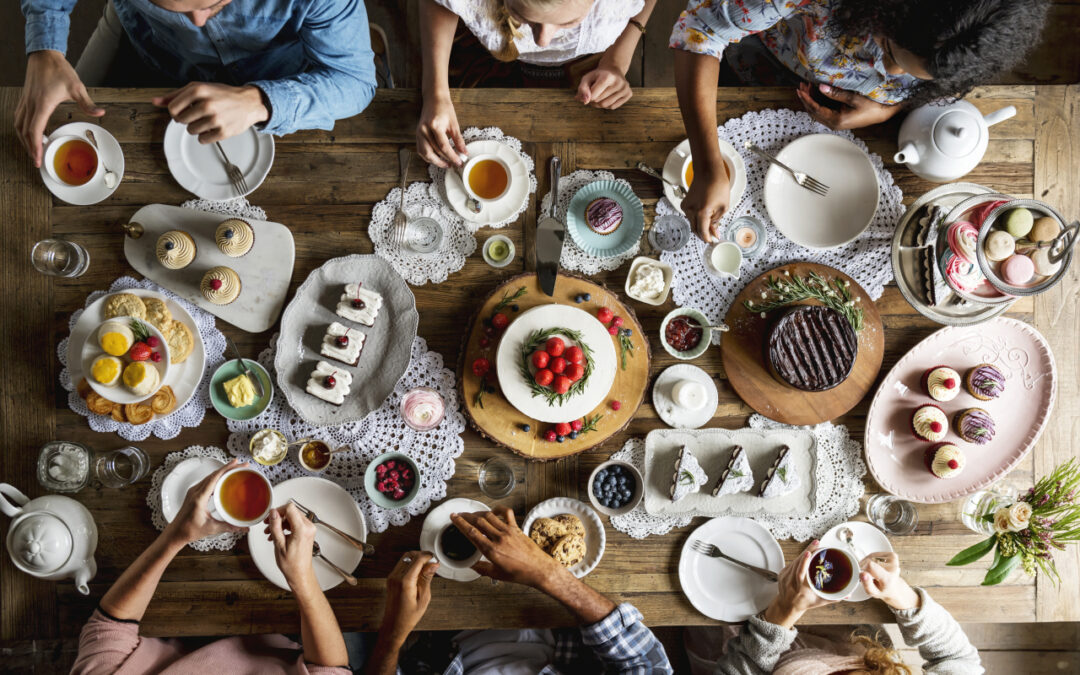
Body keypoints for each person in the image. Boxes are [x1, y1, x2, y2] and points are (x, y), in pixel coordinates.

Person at [669, 0, 1050, 243]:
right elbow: (700, 31)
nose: (890, 73)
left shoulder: (979, 35)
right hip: (764, 61)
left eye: (916, 77)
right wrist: (707, 165)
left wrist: (891, 110)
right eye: (889, 50)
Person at [70, 460, 351, 675]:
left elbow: (107, 629)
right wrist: (302, 579)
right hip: (290, 642)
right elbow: (333, 670)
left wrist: (175, 536)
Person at [17, 0, 378, 167]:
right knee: (61, 132)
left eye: (216, 2)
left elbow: (355, 81)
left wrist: (262, 101)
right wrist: (44, 48)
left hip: (281, 71)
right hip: (147, 44)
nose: (198, 21)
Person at [365, 508, 673, 674]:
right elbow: (645, 662)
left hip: (436, 638)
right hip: (562, 628)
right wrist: (547, 573)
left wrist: (392, 635)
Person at [416, 0, 659, 168]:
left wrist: (617, 62)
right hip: (479, 53)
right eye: (521, 15)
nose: (542, 41)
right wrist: (435, 93)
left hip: (594, 61)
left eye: (567, 22)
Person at [684, 541, 983, 674]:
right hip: (851, 637)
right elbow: (957, 658)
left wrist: (782, 614)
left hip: (745, 642)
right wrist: (902, 597)